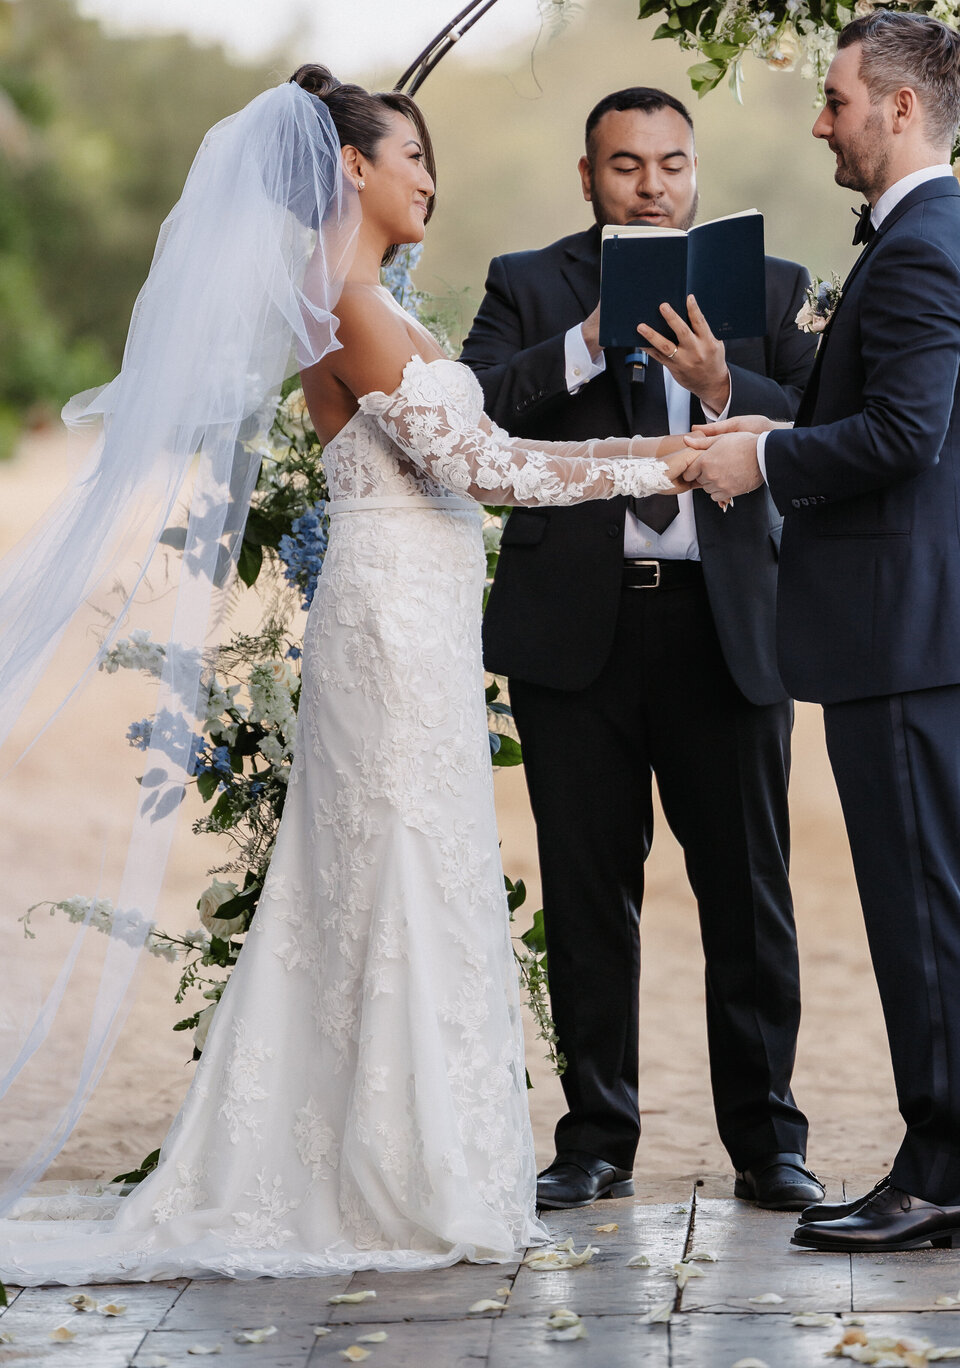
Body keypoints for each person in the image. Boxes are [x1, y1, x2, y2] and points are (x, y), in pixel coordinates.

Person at [0, 69, 698, 1284]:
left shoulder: (371, 301)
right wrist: (663, 461)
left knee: (403, 873)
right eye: (412, 155)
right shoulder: (351, 308)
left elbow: (475, 454)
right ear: (351, 171)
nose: (432, 175)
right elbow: (485, 470)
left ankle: (410, 1160)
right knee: (393, 873)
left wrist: (654, 450)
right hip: (385, 623)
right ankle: (392, 1176)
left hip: (418, 617)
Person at [686, 12, 960, 1253]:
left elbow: (900, 439)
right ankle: (951, 1167)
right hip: (914, 631)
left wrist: (760, 461)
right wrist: (745, 408)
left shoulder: (927, 247)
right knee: (923, 904)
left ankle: (946, 1178)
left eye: (834, 102)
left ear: (895, 108)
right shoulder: (923, 240)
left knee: (924, 910)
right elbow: (868, 409)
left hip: (910, 632)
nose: (819, 123)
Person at [460, 86, 824, 1213]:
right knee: (585, 894)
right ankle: (595, 1140)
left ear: (696, 169)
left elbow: (827, 422)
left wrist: (726, 386)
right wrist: (578, 344)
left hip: (730, 631)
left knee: (749, 896)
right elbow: (466, 415)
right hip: (579, 633)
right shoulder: (529, 285)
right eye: (626, 166)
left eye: (672, 163)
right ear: (589, 177)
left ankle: (769, 1145)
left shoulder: (771, 289)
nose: (652, 185)